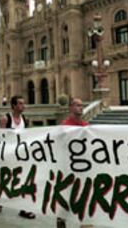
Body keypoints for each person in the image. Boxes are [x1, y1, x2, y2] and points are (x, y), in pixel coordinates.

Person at [0, 95, 35, 220]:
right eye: (20, 103)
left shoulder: (24, 119)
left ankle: (24, 208)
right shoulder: (5, 119)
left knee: (23, 180)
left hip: (21, 155)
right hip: (7, 154)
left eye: (23, 103)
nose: (24, 106)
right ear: (13, 106)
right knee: (5, 179)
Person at [58, 97, 89, 228]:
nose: (80, 107)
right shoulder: (65, 126)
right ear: (70, 107)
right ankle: (61, 219)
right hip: (68, 167)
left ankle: (85, 223)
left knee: (84, 194)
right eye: (77, 105)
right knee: (68, 195)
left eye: (82, 105)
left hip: (83, 167)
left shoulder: (86, 126)